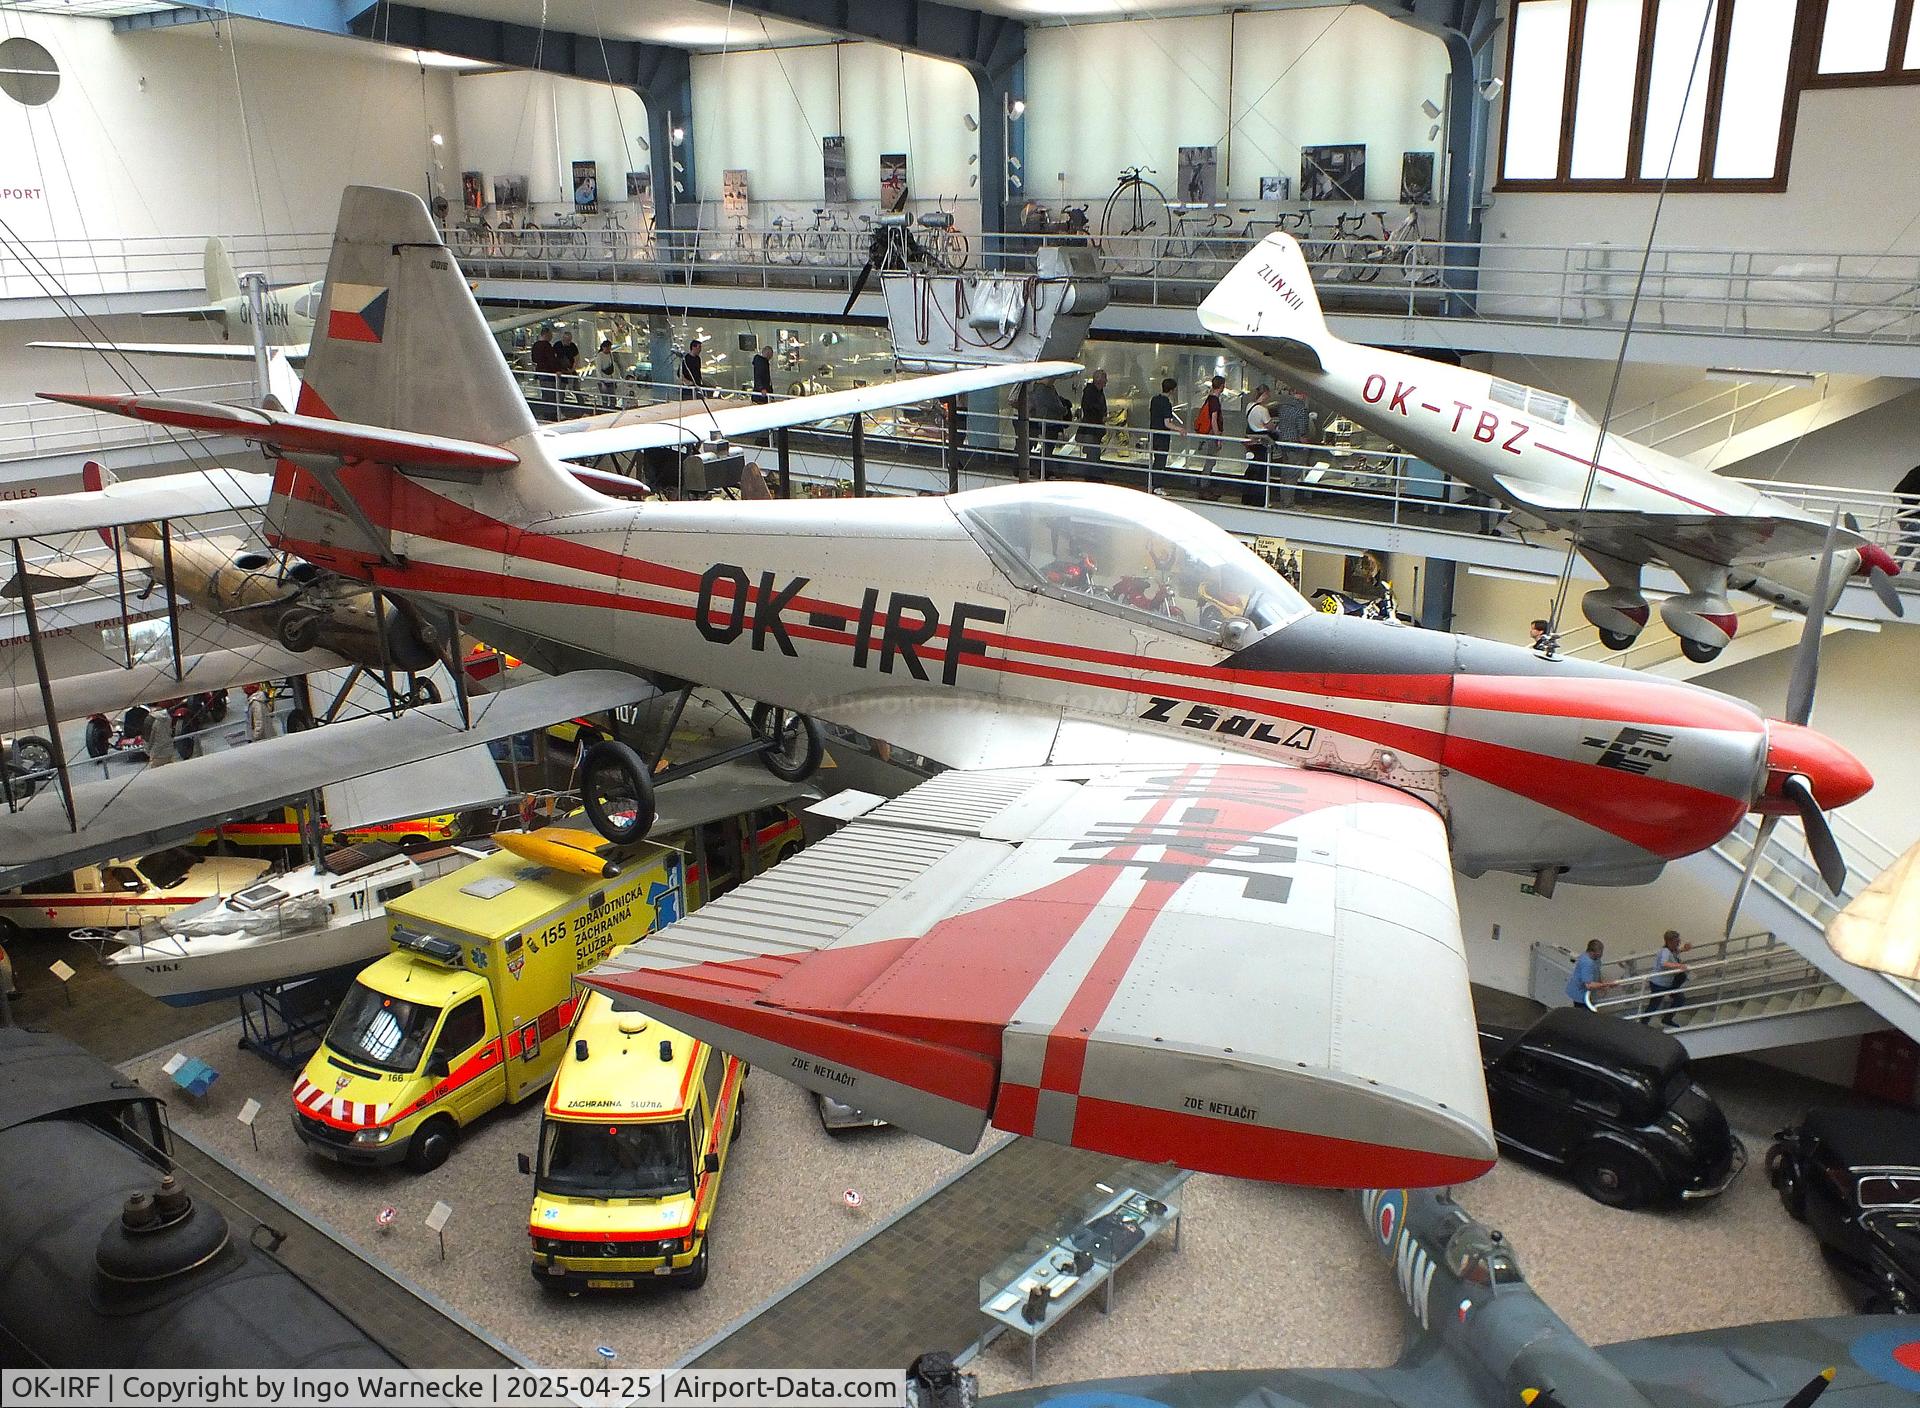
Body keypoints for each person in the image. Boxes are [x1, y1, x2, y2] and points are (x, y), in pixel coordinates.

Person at [1267, 386, 1311, 508]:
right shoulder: (1302, 409)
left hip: (1283, 443)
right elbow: (1302, 431)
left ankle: (1283, 500)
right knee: (1293, 474)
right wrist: (1306, 446)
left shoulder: (1284, 407)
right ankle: (1288, 503)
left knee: (1285, 473)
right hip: (1295, 444)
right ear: (1303, 394)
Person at [1646, 929, 1691, 1024]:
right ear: (1670, 942)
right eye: (1677, 942)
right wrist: (1679, 966)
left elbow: (1675, 953)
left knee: (1680, 999)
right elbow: (1664, 963)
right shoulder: (1665, 951)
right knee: (1654, 1005)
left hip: (1666, 983)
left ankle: (1667, 1019)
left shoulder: (1671, 950)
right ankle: (1643, 1023)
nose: (1678, 943)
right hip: (1659, 984)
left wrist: (1684, 949)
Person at [1192, 375, 1226, 496]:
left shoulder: (1209, 399)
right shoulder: (1214, 401)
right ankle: (1204, 487)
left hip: (1207, 434)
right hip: (1211, 434)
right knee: (1210, 461)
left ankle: (1204, 486)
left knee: (1210, 461)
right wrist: (1218, 438)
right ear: (1222, 386)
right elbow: (1214, 421)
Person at [1241, 386, 1274, 508]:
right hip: (1262, 442)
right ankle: (1260, 500)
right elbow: (1270, 426)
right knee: (1262, 472)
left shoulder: (1249, 406)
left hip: (1251, 440)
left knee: (1252, 468)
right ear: (1264, 394)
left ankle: (1247, 496)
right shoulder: (1263, 410)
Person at [1148, 377, 1181, 482]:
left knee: (1157, 459)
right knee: (1161, 461)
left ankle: (1152, 483)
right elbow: (1167, 423)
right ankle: (1156, 485)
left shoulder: (1154, 399)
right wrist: (1179, 429)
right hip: (1162, 437)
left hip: (1153, 434)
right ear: (1171, 390)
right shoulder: (1166, 403)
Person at [1565, 939, 1612, 1008]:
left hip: (1587, 994)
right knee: (1583, 1012)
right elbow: (1589, 985)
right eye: (1599, 952)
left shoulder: (1596, 959)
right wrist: (1605, 985)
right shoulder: (1587, 963)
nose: (1601, 954)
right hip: (1580, 994)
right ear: (1592, 952)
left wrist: (1601, 984)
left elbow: (1597, 972)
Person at [1078, 370, 1109, 464]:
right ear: (1099, 380)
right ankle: (1091, 474)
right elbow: (1089, 409)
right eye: (1105, 378)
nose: (1106, 381)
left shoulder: (1098, 392)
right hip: (1091, 429)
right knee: (1093, 453)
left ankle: (1092, 473)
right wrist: (1101, 417)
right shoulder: (1091, 393)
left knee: (1093, 452)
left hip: (1094, 428)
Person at [529, 327, 559, 420]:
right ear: (546, 334)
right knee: (551, 394)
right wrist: (556, 370)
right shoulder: (547, 346)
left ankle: (546, 413)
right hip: (548, 373)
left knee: (545, 393)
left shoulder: (535, 346)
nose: (551, 337)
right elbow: (552, 360)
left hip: (540, 372)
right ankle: (551, 414)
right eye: (550, 335)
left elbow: (534, 359)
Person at [1896, 464, 1920, 566]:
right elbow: (1898, 491)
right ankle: (1892, 568)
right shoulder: (1917, 472)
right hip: (1909, 515)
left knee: (1907, 544)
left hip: (1909, 515)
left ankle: (1893, 568)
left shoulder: (1916, 471)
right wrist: (1915, 502)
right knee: (1908, 543)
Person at [591, 339, 622, 406]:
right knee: (604, 398)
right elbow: (598, 370)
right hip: (603, 380)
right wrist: (601, 381)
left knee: (613, 398)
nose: (609, 349)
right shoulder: (599, 356)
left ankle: (612, 409)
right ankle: (605, 410)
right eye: (608, 348)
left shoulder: (610, 354)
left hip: (610, 379)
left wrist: (615, 380)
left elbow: (613, 366)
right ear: (603, 347)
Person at [144, 703, 174, 768]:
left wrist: (148, 751)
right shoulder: (167, 716)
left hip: (157, 752)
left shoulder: (150, 719)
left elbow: (148, 739)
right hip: (169, 749)